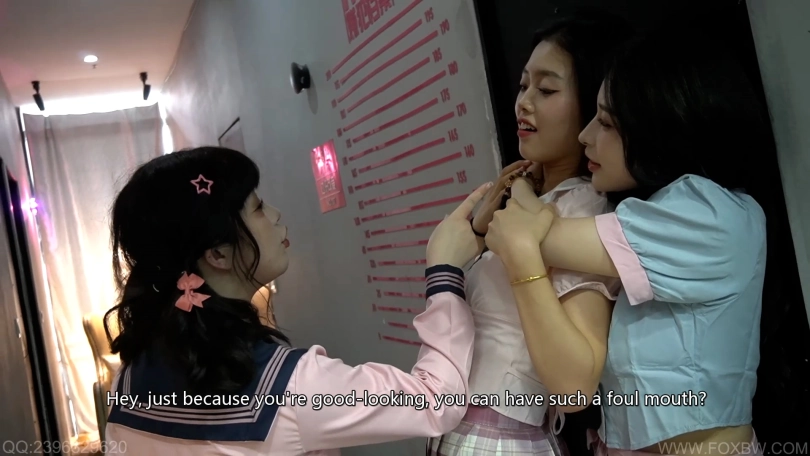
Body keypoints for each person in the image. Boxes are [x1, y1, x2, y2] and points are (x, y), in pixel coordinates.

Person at [486, 26, 773, 455]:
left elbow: (534, 236)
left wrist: (521, 186)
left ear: (663, 125)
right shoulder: (656, 209)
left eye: (606, 122)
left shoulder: (711, 214)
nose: (586, 136)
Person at [103, 146, 493, 454]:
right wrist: (444, 273)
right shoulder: (290, 387)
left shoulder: (129, 382)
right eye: (258, 209)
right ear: (218, 254)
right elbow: (436, 402)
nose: (275, 215)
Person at [428, 10, 631, 456]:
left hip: (497, 439)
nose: (524, 102)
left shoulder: (581, 207)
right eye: (523, 86)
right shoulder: (529, 198)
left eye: (547, 89)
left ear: (592, 107)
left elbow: (575, 384)